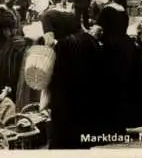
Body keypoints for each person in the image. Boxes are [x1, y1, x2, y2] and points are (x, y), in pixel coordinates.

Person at [43, 10, 103, 149]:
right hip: (87, 100)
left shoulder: (64, 45)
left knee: (65, 138)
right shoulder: (89, 40)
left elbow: (57, 76)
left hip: (67, 103)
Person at [97, 4, 142, 133]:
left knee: (113, 89)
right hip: (126, 49)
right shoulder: (121, 14)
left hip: (113, 53)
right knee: (127, 88)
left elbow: (98, 28)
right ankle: (124, 121)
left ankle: (114, 123)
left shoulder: (107, 13)